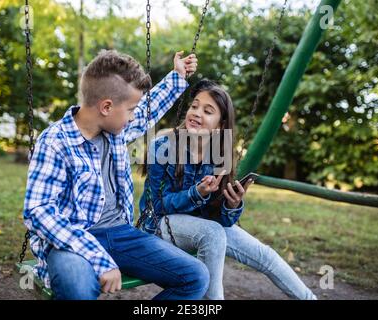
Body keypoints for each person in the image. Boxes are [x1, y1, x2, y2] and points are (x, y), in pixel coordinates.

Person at [23, 49, 210, 300]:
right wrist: (98, 257)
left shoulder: (115, 129)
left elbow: (147, 112)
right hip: (71, 240)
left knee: (196, 275)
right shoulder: (56, 142)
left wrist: (177, 76)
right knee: (78, 287)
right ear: (106, 107)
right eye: (131, 109)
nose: (134, 115)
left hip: (120, 234)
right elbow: (38, 210)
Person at [139, 79, 317, 300]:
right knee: (212, 233)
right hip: (158, 226)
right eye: (194, 106)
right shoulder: (162, 147)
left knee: (265, 255)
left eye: (208, 110)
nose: (196, 113)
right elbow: (153, 206)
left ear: (221, 124)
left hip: (203, 229)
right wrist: (196, 194)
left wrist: (231, 205)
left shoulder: (219, 155)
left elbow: (219, 219)